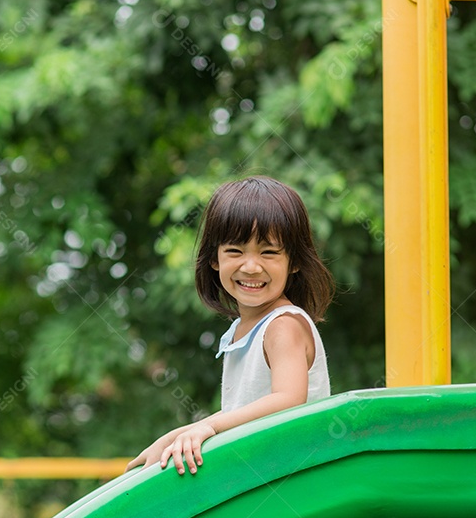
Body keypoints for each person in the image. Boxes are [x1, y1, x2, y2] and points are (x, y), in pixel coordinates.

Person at [125, 175, 335, 475]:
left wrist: (209, 427)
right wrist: (176, 436)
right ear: (214, 259)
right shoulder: (244, 330)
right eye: (235, 251)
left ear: (295, 262)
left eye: (269, 252)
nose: (251, 266)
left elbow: (288, 400)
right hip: (266, 477)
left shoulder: (283, 325)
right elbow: (244, 412)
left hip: (296, 481)